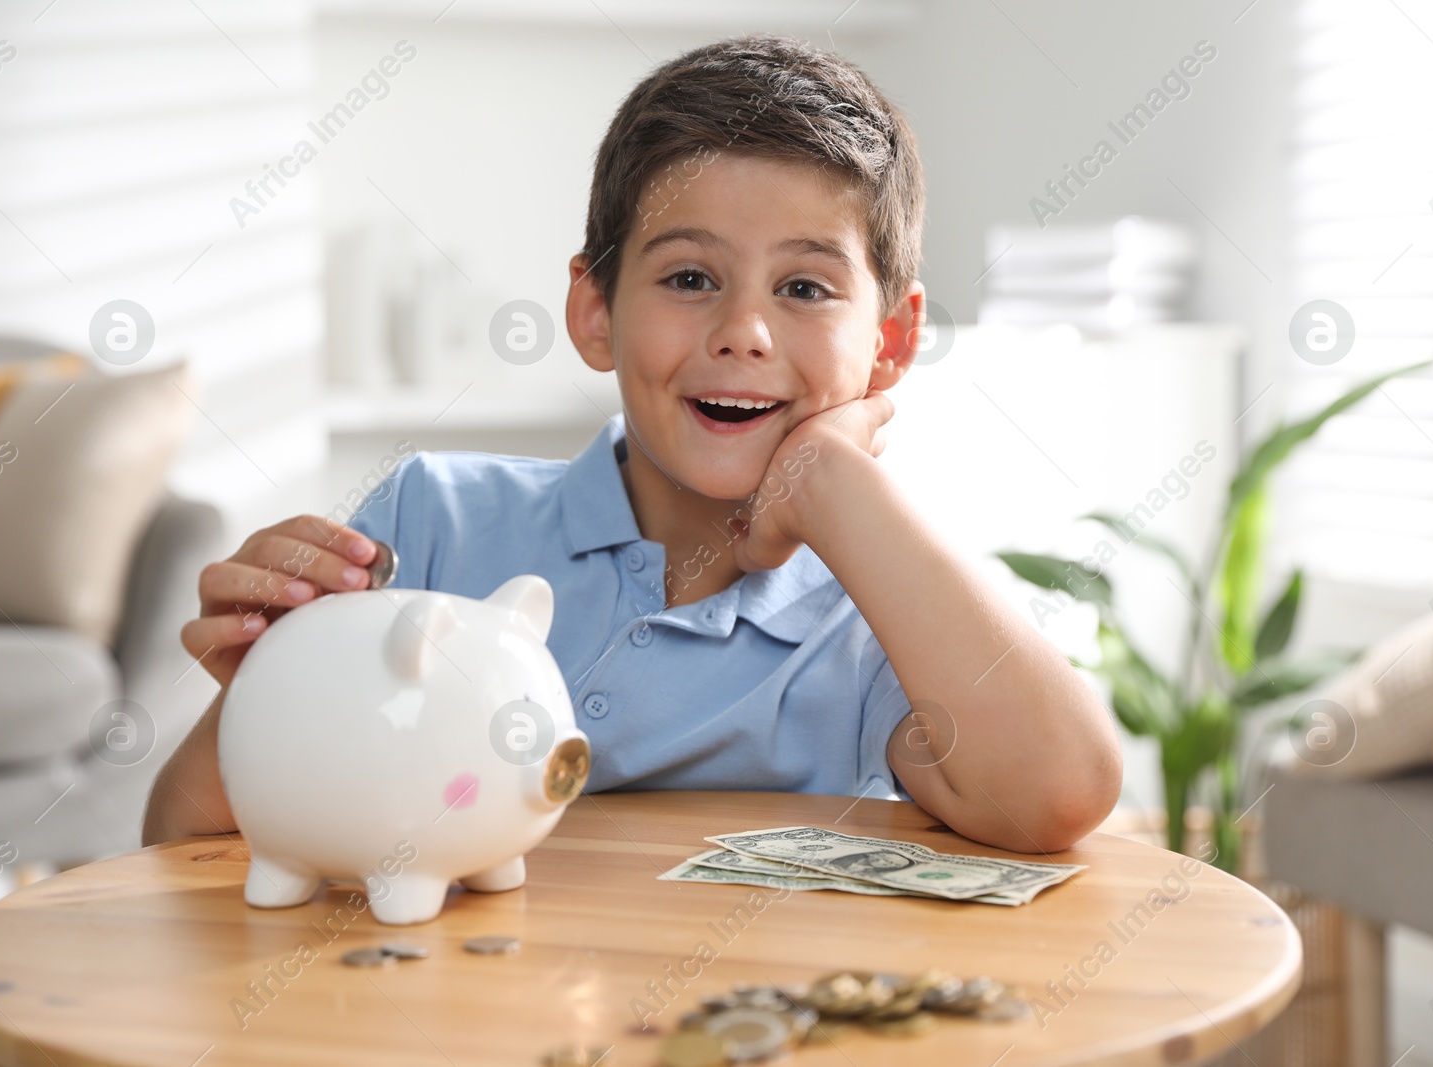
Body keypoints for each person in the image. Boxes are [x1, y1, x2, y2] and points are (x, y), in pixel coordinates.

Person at [142, 33, 1121, 852]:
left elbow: (1059, 793)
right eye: (690, 277)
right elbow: (186, 844)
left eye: (805, 287)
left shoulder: (885, 621)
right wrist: (275, 695)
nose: (744, 330)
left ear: (891, 341)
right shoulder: (428, 526)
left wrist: (834, 481)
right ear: (595, 309)